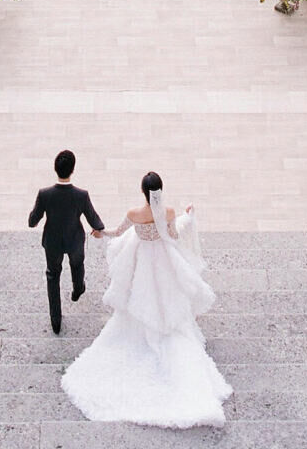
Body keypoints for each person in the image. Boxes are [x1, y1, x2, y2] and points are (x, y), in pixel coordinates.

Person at [61, 170, 230, 428]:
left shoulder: (134, 214)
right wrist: (189, 217)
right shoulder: (169, 212)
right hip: (163, 259)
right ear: (160, 190)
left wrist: (99, 233)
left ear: (143, 191)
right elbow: (172, 236)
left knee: (138, 297)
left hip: (141, 260)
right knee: (168, 297)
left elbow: (118, 232)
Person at [28, 150, 105, 336]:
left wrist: (37, 217)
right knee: (77, 265)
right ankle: (78, 288)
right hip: (74, 240)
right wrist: (99, 228)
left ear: (55, 169)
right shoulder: (81, 195)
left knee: (52, 275)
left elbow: (32, 221)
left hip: (53, 241)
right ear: (73, 170)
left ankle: (56, 319)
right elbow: (93, 218)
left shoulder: (45, 194)